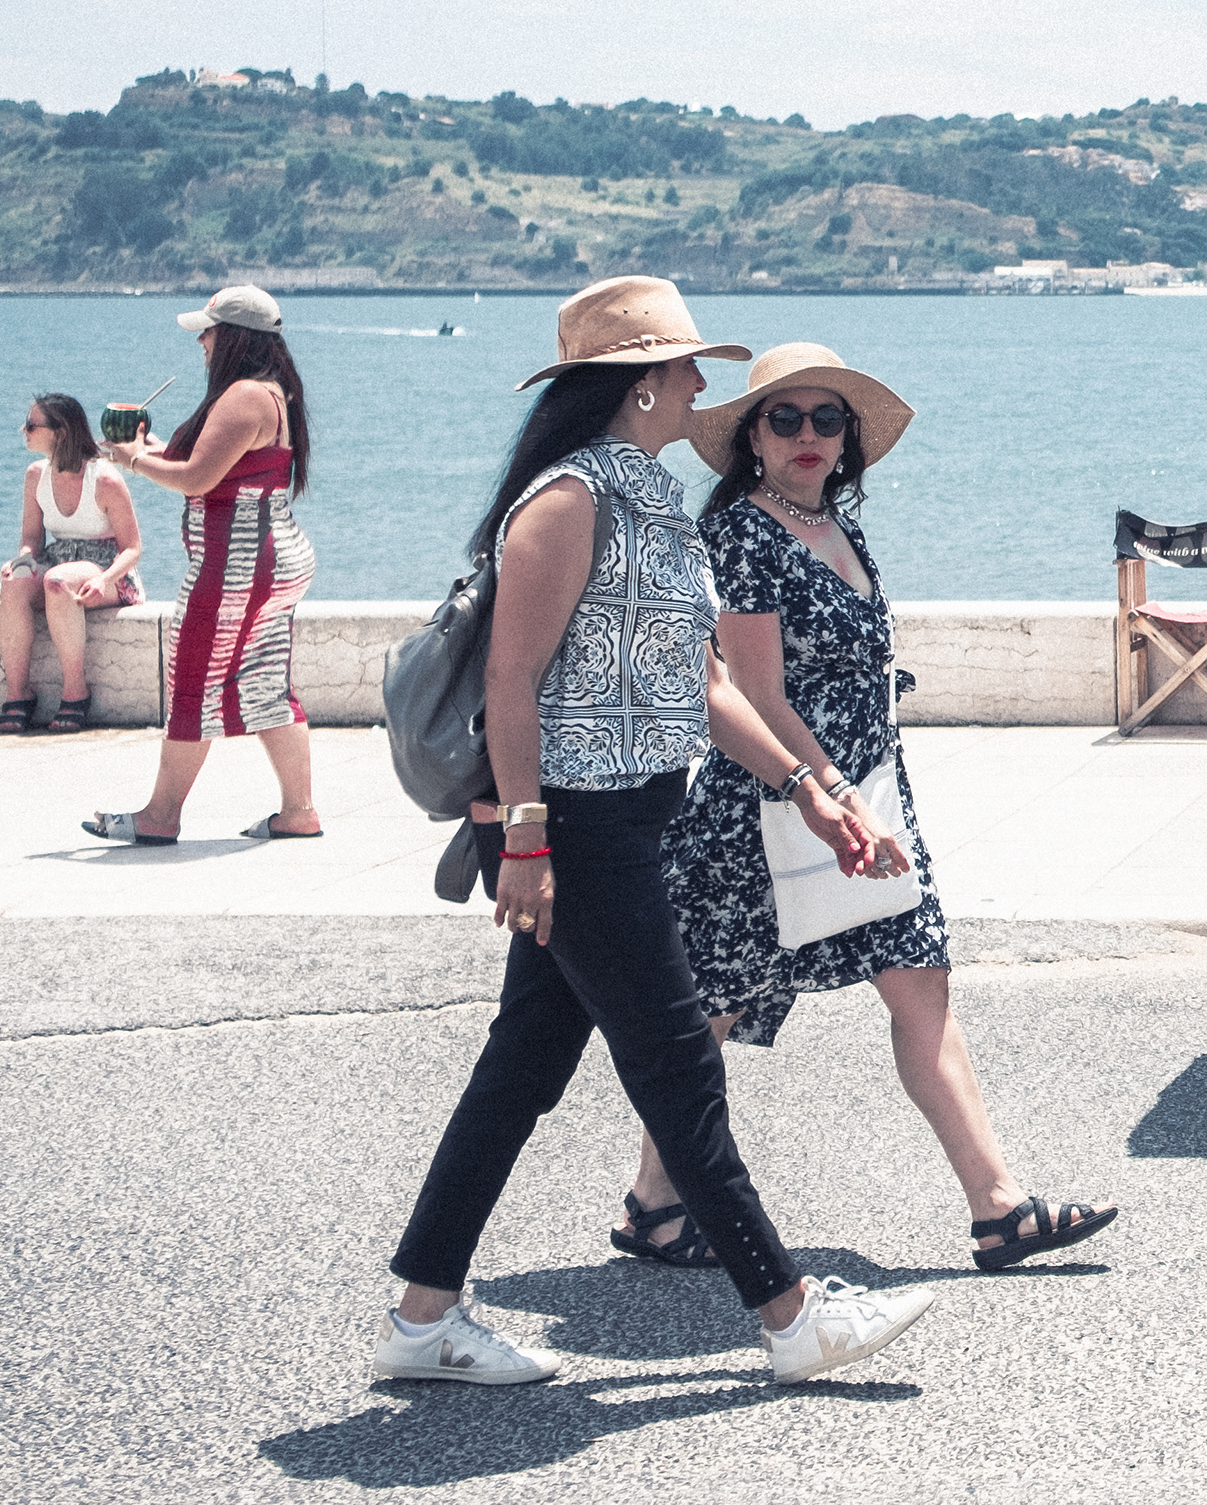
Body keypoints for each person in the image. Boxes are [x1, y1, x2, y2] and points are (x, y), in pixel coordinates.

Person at [377, 277, 942, 1389]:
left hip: (635, 815)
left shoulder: (655, 502)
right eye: (685, 367)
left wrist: (810, 791)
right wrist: (525, 839)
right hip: (572, 826)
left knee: (521, 1070)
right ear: (639, 383)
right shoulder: (567, 500)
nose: (698, 385)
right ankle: (790, 1316)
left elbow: (705, 681)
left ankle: (420, 1320)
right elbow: (511, 678)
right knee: (679, 1061)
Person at [620, 343, 1118, 1276]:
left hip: (872, 798)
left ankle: (999, 1208)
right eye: (785, 419)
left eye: (827, 419)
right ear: (751, 439)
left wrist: (864, 794)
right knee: (717, 1004)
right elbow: (756, 696)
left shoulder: (837, 528)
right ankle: (655, 1201)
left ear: (849, 438)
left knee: (920, 976)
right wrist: (833, 794)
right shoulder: (741, 536)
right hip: (767, 809)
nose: (806, 435)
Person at [82, 288, 324, 843]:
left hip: (236, 567)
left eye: (209, 330)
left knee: (192, 680)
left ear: (235, 336)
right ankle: (298, 811)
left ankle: (159, 816)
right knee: (265, 683)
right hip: (270, 561)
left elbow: (196, 478)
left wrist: (135, 462)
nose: (201, 341)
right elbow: (208, 463)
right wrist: (146, 451)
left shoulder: (244, 396)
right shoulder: (271, 392)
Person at [0, 393, 141, 732]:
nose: (24, 430)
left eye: (32, 425)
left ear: (60, 432)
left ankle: (76, 691)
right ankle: (18, 693)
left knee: (57, 582)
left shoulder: (104, 479)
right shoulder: (35, 476)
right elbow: (32, 538)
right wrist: (23, 559)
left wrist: (105, 580)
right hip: (58, 561)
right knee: (13, 585)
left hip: (107, 570)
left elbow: (132, 548)